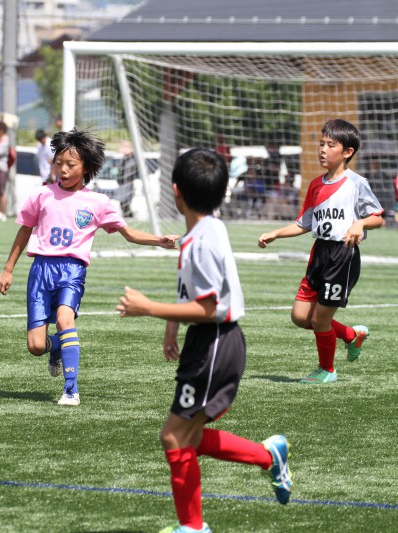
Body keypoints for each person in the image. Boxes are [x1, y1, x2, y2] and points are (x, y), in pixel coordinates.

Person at [117, 148, 292, 533]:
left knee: (174, 436)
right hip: (211, 341)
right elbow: (196, 294)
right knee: (188, 437)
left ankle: (192, 527)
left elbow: (211, 307)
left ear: (176, 192)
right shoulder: (208, 229)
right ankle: (268, 456)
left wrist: (150, 308)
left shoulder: (199, 242)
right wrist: (171, 327)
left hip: (214, 342)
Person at [0, 128, 178, 406]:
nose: (63, 170)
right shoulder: (41, 196)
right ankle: (56, 347)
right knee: (35, 346)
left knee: (65, 320)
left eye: (71, 165)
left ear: (87, 167)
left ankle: (71, 389)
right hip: (40, 272)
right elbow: (24, 231)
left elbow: (128, 233)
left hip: (72, 271)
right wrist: (8, 269)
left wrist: (159, 240)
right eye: (59, 163)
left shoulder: (97, 203)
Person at [258, 119, 383, 384]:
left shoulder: (356, 183)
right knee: (300, 317)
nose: (322, 150)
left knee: (320, 319)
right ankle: (351, 335)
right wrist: (276, 233)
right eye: (321, 144)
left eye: (330, 145)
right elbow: (304, 223)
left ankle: (327, 370)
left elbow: (378, 217)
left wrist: (360, 223)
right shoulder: (315, 185)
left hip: (342, 255)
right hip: (319, 254)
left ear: (347, 152)